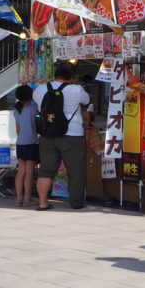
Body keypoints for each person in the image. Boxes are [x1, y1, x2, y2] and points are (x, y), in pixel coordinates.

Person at [34, 61, 93, 211]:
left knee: (46, 170)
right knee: (75, 171)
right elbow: (87, 100)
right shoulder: (76, 90)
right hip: (71, 135)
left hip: (46, 134)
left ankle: (42, 202)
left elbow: (37, 104)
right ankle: (76, 202)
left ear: (56, 74)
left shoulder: (40, 89)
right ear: (72, 76)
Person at [13, 84, 39, 207]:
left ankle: (18, 199)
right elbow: (36, 126)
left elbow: (17, 129)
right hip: (31, 142)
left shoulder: (16, 110)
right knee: (29, 172)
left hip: (20, 143)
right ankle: (27, 198)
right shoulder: (34, 108)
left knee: (21, 171)